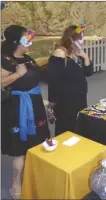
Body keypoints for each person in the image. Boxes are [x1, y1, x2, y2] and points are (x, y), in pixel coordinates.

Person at [1, 25, 50, 199]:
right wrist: (16, 75)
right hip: (17, 109)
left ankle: (33, 178)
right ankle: (16, 184)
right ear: (15, 42)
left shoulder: (28, 58)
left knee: (37, 143)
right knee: (21, 149)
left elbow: (38, 79)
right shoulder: (5, 60)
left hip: (35, 105)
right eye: (25, 39)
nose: (29, 42)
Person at [47, 24, 93, 136]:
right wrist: (52, 103)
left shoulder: (76, 52)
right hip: (66, 99)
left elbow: (88, 72)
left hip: (80, 96)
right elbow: (53, 80)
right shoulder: (60, 53)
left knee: (78, 124)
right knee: (66, 127)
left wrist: (85, 56)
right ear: (71, 38)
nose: (82, 41)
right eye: (79, 38)